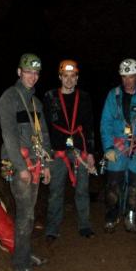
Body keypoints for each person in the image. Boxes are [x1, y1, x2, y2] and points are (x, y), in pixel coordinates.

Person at [0, 53, 51, 271]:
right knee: (25, 214)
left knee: (29, 215)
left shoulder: (35, 102)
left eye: (36, 73)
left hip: (36, 164)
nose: (32, 77)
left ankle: (25, 254)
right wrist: (21, 168)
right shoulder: (9, 98)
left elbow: (44, 135)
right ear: (19, 72)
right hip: (20, 165)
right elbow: (9, 136)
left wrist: (46, 164)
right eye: (28, 72)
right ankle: (20, 266)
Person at [100, 58, 136, 232]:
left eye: (131, 76)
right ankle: (112, 214)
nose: (127, 81)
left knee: (133, 185)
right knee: (114, 185)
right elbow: (106, 122)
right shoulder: (113, 95)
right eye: (124, 77)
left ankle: (130, 215)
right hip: (118, 145)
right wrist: (108, 147)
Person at [43, 59, 96, 240]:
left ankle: (84, 225)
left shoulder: (85, 98)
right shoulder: (50, 97)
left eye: (72, 76)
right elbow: (46, 127)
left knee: (82, 189)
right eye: (65, 76)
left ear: (77, 78)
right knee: (56, 190)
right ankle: (52, 228)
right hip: (57, 150)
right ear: (60, 77)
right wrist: (46, 152)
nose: (69, 80)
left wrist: (90, 153)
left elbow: (89, 127)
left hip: (79, 150)